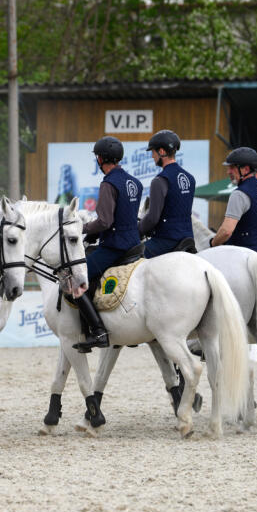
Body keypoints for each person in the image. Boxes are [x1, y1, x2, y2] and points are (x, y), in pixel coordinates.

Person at [74, 135, 143, 353]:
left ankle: (98, 331)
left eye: (97, 157)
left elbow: (105, 221)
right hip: (135, 244)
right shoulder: (135, 182)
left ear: (102, 158)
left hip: (115, 246)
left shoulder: (108, 183)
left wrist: (82, 229)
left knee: (75, 280)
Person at [137, 129, 196, 257]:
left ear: (162, 152)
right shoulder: (190, 178)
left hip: (165, 241)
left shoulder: (159, 180)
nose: (152, 156)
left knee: (130, 255)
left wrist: (137, 231)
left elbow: (152, 218)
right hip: (188, 239)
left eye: (153, 152)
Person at [208, 147, 257, 252]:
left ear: (246, 169)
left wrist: (213, 243)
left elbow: (226, 231)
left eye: (232, 167)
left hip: (245, 253)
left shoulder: (239, 194)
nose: (228, 171)